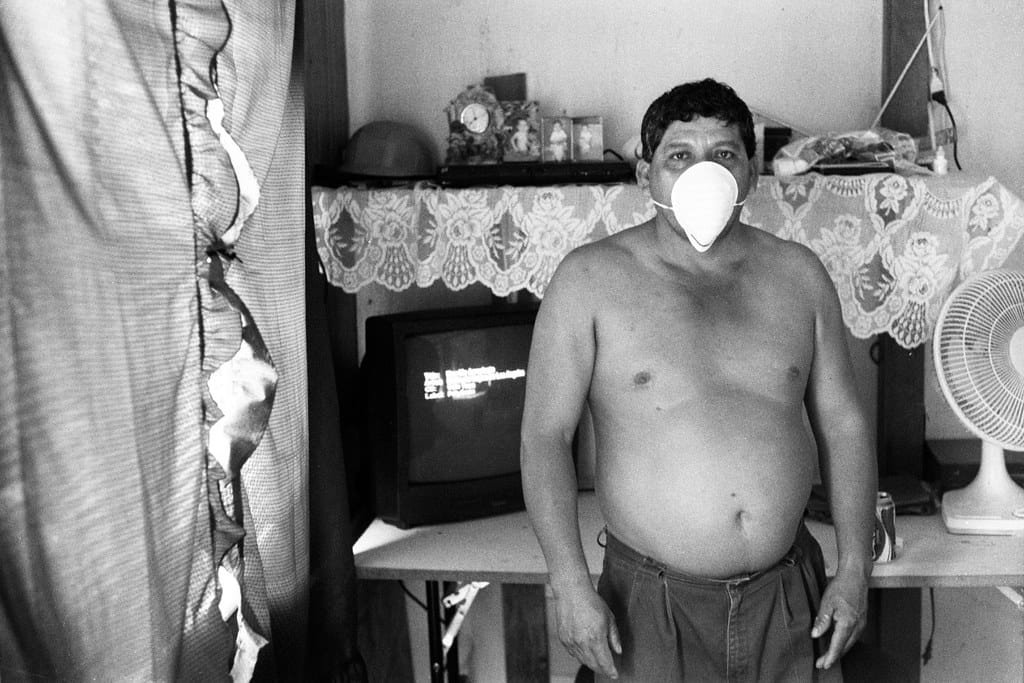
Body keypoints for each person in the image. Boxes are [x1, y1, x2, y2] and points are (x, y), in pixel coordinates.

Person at [520, 78, 877, 682]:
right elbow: (543, 437)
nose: (702, 172)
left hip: (789, 599)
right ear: (646, 176)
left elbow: (843, 426)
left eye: (724, 154)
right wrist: (570, 584)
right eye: (680, 156)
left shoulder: (799, 275)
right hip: (648, 608)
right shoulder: (588, 281)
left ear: (751, 174)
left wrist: (854, 571)